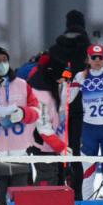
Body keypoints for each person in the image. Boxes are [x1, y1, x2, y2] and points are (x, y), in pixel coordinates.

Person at [0, 46, 40, 205]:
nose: (2, 64)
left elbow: (37, 110)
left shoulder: (21, 84)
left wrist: (22, 113)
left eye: (4, 59)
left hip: (21, 151)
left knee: (22, 198)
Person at [66, 44, 103, 200]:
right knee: (88, 173)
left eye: (100, 57)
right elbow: (67, 100)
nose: (97, 60)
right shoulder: (81, 76)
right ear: (88, 58)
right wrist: (66, 83)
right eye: (94, 57)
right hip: (90, 130)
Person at [48, 10, 91, 199]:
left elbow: (49, 72)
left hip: (60, 105)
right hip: (83, 106)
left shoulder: (56, 47)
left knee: (61, 148)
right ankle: (78, 195)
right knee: (76, 151)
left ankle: (59, 191)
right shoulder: (88, 47)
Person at [27, 53, 69, 186]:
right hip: (41, 144)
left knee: (54, 175)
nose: (63, 79)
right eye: (61, 75)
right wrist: (60, 146)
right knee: (47, 176)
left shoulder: (48, 84)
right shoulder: (39, 93)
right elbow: (43, 126)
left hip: (51, 144)